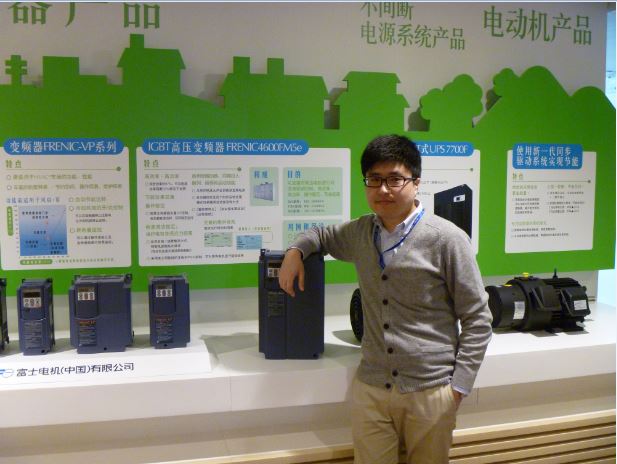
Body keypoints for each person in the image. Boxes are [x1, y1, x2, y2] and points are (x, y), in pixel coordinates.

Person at [278, 134, 492, 464]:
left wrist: (457, 389)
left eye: (395, 179)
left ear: (416, 182)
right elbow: (318, 235)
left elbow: (478, 319)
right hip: (372, 390)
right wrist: (295, 251)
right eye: (374, 179)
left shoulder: (447, 239)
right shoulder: (360, 233)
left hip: (431, 390)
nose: (383, 190)